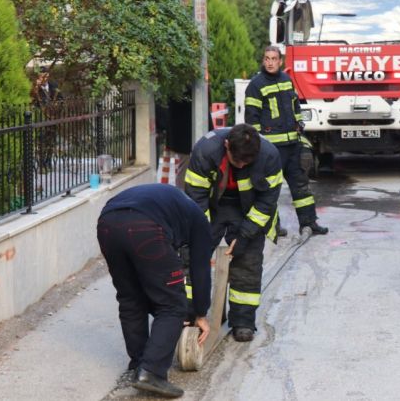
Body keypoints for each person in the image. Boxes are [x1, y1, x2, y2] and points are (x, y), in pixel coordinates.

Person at [97, 184, 212, 398]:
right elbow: (200, 268)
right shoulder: (201, 222)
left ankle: (139, 364)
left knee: (130, 298)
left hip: (107, 224)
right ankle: (151, 372)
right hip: (144, 227)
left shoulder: (174, 204)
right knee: (173, 305)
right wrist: (200, 312)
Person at [184, 124, 281, 343]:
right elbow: (195, 197)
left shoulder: (270, 156)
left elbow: (267, 202)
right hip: (212, 205)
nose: (243, 165)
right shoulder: (205, 150)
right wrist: (201, 233)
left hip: (248, 209)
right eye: (238, 161)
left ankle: (243, 321)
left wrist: (245, 235)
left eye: (248, 162)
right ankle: (188, 314)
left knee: (248, 262)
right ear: (226, 145)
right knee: (191, 256)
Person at [244, 46, 328, 236]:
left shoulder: (287, 80)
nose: (270, 62)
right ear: (263, 61)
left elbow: (296, 105)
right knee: (270, 189)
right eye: (267, 59)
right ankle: (272, 227)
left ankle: (309, 223)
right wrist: (258, 147)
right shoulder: (256, 85)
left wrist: (299, 122)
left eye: (274, 59)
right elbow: (251, 119)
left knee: (301, 185)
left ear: (280, 61)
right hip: (271, 149)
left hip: (292, 146)